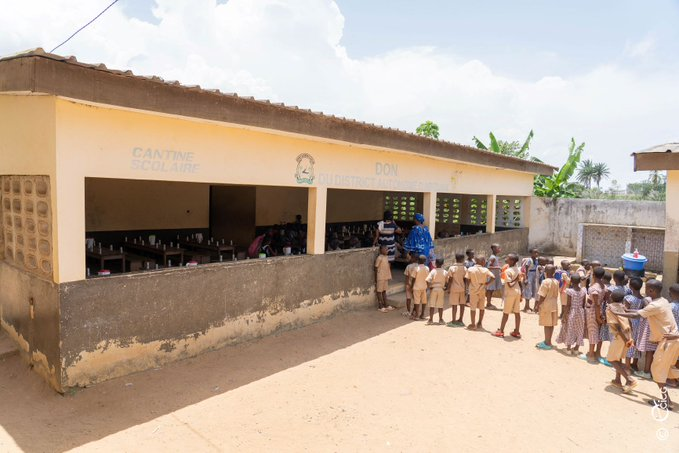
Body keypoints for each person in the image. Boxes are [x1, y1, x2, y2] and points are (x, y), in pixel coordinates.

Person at [613, 279, 679, 409]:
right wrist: (624, 312)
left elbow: (637, 315)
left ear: (651, 290)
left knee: (657, 372)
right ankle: (666, 400)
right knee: (669, 370)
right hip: (673, 341)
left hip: (668, 342)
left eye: (647, 288)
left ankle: (666, 402)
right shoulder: (664, 301)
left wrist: (617, 313)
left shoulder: (655, 305)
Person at [605, 289, 638, 393]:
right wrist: (629, 338)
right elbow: (629, 322)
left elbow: (617, 327)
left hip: (620, 336)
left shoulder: (610, 308)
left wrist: (625, 340)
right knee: (618, 358)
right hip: (627, 335)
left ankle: (629, 380)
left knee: (611, 359)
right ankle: (617, 380)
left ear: (611, 297)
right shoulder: (624, 307)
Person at [555, 273, 586, 355]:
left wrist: (564, 315)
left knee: (570, 328)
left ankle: (568, 349)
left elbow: (568, 305)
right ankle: (576, 349)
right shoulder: (583, 291)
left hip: (572, 312)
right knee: (579, 330)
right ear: (579, 281)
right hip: (580, 312)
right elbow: (583, 304)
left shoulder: (569, 291)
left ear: (571, 281)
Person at [493, 253, 522, 339]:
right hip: (518, 292)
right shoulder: (517, 269)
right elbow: (519, 282)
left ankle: (501, 331)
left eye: (508, 258)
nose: (506, 259)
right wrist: (522, 294)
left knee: (506, 312)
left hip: (510, 293)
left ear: (512, 261)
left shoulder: (508, 271)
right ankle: (516, 331)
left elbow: (510, 285)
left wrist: (515, 279)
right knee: (517, 312)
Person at [465, 255, 495, 330]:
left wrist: (470, 285)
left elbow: (467, 279)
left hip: (473, 290)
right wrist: (487, 284)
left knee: (473, 307)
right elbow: (493, 277)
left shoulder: (471, 269)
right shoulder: (485, 270)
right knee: (482, 307)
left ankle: (472, 324)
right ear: (482, 262)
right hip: (482, 290)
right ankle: (479, 323)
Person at [582, 267, 605, 363]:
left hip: (593, 312)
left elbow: (597, 304)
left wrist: (597, 316)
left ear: (593, 275)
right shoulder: (603, 286)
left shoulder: (593, 288)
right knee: (596, 332)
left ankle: (591, 355)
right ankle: (593, 352)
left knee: (592, 332)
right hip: (599, 311)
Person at [535, 264, 559, 350]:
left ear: (545, 272)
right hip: (554, 304)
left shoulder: (545, 282)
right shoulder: (556, 281)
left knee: (546, 324)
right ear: (554, 273)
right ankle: (548, 341)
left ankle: (547, 342)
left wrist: (538, 305)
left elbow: (542, 296)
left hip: (546, 304)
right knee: (551, 324)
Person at [623, 277, 645, 372]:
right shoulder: (643, 299)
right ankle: (634, 365)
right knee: (636, 343)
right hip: (639, 323)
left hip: (630, 322)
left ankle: (627, 367)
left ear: (630, 286)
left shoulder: (628, 298)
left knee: (629, 343)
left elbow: (625, 312)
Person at [446, 253, 467, 327]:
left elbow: (450, 280)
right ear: (462, 259)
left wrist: (448, 288)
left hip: (454, 288)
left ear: (456, 258)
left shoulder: (452, 268)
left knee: (454, 305)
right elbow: (465, 279)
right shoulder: (464, 268)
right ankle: (460, 319)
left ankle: (454, 320)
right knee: (462, 304)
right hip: (462, 288)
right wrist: (465, 289)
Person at [426, 258, 447, 325]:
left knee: (432, 305)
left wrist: (429, 287)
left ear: (435, 263)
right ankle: (440, 319)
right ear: (442, 264)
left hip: (434, 289)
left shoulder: (433, 271)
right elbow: (448, 280)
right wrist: (446, 287)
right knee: (440, 305)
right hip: (441, 289)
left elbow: (427, 280)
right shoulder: (445, 272)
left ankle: (431, 319)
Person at [409, 255, 429, 321]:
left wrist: (411, 287)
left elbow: (413, 279)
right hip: (424, 287)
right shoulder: (427, 268)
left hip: (417, 287)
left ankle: (417, 315)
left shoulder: (416, 268)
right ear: (425, 261)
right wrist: (427, 286)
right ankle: (422, 314)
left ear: (418, 261)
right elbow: (427, 279)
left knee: (416, 301)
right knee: (424, 301)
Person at [374, 246, 394, 313]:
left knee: (384, 291)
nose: (387, 251)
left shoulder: (386, 257)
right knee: (379, 291)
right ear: (381, 251)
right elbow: (376, 267)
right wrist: (376, 278)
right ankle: (380, 306)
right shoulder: (379, 258)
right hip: (380, 277)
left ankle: (386, 305)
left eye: (387, 249)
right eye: (385, 249)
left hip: (385, 276)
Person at [485, 243, 502, 310]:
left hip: (495, 275)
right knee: (490, 289)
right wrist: (498, 267)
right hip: (492, 275)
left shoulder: (496, 257)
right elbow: (489, 266)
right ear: (494, 249)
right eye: (498, 248)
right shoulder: (492, 257)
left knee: (491, 290)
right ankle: (488, 303)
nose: (499, 249)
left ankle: (489, 303)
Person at [403, 253, 417, 317]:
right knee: (416, 299)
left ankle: (408, 311)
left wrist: (407, 284)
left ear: (413, 258)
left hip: (409, 284)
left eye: (410, 257)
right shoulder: (419, 266)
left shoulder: (408, 266)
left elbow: (406, 277)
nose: (409, 258)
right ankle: (414, 310)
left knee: (408, 298)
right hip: (416, 285)